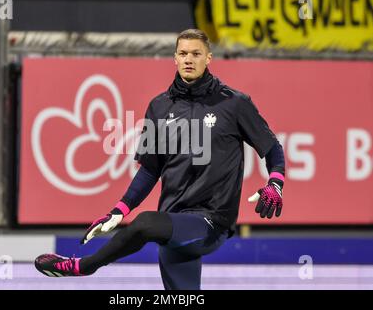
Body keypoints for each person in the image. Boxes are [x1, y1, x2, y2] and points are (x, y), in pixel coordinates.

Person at [35, 29, 285, 290]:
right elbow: (150, 170)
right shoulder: (160, 107)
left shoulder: (234, 103)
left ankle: (84, 266)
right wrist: (119, 211)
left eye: (196, 54)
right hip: (172, 223)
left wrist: (275, 183)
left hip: (211, 222)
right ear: (175, 58)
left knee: (145, 223)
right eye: (183, 53)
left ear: (208, 58)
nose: (189, 59)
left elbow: (273, 149)